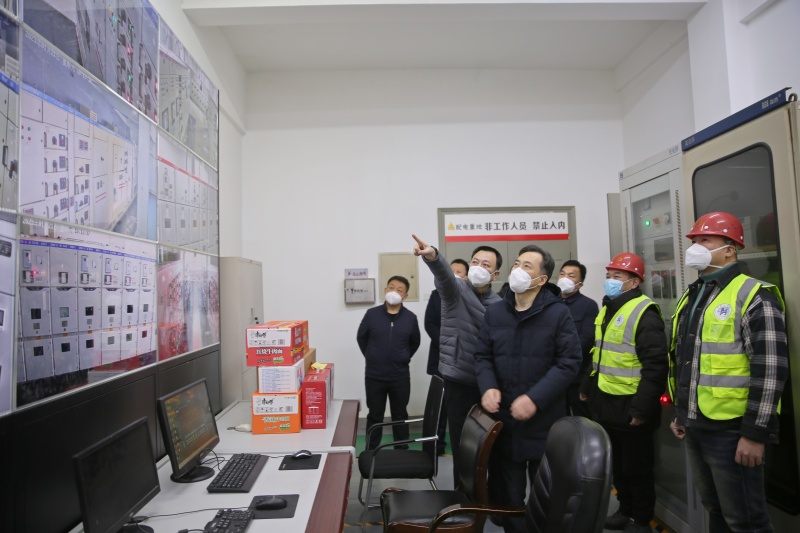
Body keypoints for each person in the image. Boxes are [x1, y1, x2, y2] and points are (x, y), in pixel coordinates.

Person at [668, 212, 788, 533]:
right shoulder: (694, 294)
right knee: (716, 510)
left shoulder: (754, 295)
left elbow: (770, 369)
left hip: (733, 431)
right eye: (695, 240)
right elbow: (688, 360)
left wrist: (755, 434)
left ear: (730, 249)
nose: (695, 246)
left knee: (746, 520)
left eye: (705, 240)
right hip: (697, 426)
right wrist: (682, 412)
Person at [475, 245, 582, 533]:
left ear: (542, 279)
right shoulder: (495, 312)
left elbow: (569, 362)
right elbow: (482, 356)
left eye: (527, 267)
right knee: (510, 500)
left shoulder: (557, 314)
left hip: (543, 422)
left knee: (545, 499)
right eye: (516, 264)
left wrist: (535, 398)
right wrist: (488, 386)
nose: (517, 271)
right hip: (505, 423)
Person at [580, 252, 668, 533]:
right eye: (609, 275)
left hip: (632, 407)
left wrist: (642, 409)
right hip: (607, 403)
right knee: (618, 465)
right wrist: (587, 387)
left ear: (634, 282)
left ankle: (641, 520)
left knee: (637, 468)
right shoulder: (608, 308)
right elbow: (599, 353)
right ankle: (625, 510)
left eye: (617, 276)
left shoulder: (644, 312)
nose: (610, 280)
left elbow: (656, 366)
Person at [412, 234, 502, 488]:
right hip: (459, 379)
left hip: (489, 384)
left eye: (486, 264)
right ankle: (462, 497)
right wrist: (433, 256)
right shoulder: (456, 290)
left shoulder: (500, 305)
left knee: (490, 445)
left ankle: (490, 497)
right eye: (475, 262)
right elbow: (444, 276)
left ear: (495, 275)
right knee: (463, 446)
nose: (479, 267)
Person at [356, 275, 421, 450]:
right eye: (391, 287)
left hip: (400, 376)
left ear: (405, 296)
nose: (394, 291)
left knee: (400, 415)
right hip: (374, 376)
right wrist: (372, 356)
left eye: (399, 290)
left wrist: (403, 357)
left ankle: (401, 451)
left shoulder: (410, 318)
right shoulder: (372, 314)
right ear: (385, 290)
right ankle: (371, 451)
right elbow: (361, 338)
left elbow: (415, 342)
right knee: (375, 415)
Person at [424, 258, 469, 455]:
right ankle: (438, 444)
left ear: (466, 277)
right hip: (441, 357)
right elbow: (429, 323)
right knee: (440, 406)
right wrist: (446, 342)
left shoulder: (470, 296)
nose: (454, 275)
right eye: (451, 271)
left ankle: (465, 445)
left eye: (459, 271)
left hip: (464, 359)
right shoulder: (436, 295)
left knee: (462, 405)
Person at [556, 259, 599, 418]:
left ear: (579, 284)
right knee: (557, 418)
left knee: (582, 419)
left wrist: (556, 350)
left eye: (571, 276)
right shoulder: (550, 303)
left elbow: (586, 339)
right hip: (554, 376)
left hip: (577, 377)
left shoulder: (588, 305)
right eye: (562, 274)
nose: (564, 278)